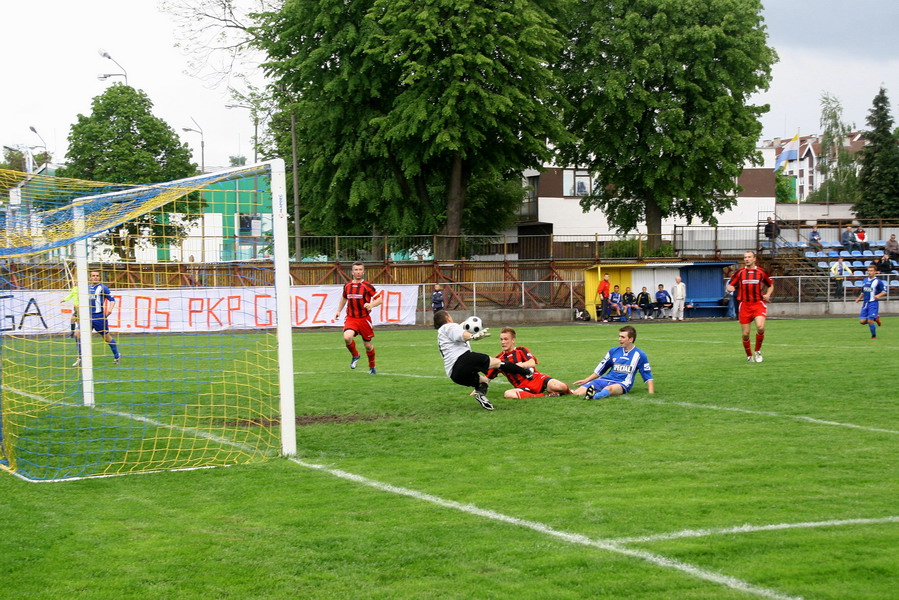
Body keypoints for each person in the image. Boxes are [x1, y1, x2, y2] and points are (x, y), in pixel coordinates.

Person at [434, 311, 534, 410]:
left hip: (455, 375)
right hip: (464, 360)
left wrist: (464, 327)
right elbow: (460, 334)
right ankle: (526, 372)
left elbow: (458, 333)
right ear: (447, 318)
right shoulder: (449, 326)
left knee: (484, 381)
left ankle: (480, 395)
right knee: (499, 363)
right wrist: (472, 336)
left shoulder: (441, 334)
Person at [571, 325, 654, 400]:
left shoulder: (640, 355)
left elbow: (647, 375)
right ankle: (560, 392)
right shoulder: (613, 351)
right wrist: (586, 380)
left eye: (622, 337)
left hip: (622, 383)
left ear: (631, 339)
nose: (619, 339)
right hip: (605, 379)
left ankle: (593, 397)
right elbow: (601, 369)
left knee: (608, 389)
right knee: (577, 393)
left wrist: (651, 393)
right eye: (619, 336)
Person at [486, 327, 571, 398]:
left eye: (506, 339)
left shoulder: (521, 350)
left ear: (513, 340)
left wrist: (519, 366)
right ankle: (545, 395)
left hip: (538, 380)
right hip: (523, 387)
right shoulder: (498, 359)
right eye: (501, 339)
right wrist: (476, 390)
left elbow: (532, 362)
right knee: (508, 394)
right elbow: (487, 379)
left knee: (561, 386)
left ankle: (572, 393)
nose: (503, 342)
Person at [334, 262, 383, 375]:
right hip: (351, 318)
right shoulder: (347, 286)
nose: (358, 271)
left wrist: (371, 305)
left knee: (368, 346)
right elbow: (344, 298)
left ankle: (372, 366)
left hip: (364, 319)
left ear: (363, 272)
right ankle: (355, 355)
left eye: (360, 269)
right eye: (356, 269)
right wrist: (338, 311)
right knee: (347, 337)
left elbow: (379, 299)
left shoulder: (367, 286)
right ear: (352, 272)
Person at [727, 250, 774, 363]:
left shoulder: (761, 272)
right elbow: (730, 285)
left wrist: (767, 294)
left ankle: (757, 351)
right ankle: (749, 356)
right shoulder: (740, 273)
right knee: (745, 334)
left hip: (758, 303)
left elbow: (771, 285)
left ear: (754, 259)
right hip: (745, 305)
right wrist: (730, 288)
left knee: (760, 327)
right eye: (745, 257)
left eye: (749, 257)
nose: (746, 259)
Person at [73, 270, 121, 366]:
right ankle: (80, 357)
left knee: (107, 338)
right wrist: (76, 313)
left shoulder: (103, 288)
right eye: (93, 275)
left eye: (97, 276)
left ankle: (117, 355)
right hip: (87, 317)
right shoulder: (85, 288)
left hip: (99, 317)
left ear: (100, 277)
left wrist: (110, 309)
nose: (95, 277)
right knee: (77, 334)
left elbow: (112, 300)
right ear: (90, 277)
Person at [855, 264, 886, 339]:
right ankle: (875, 318)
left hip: (873, 303)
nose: (869, 272)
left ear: (875, 272)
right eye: (868, 271)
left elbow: (884, 291)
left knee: (869, 321)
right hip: (865, 303)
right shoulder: (865, 280)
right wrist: (859, 298)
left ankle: (874, 336)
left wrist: (878, 296)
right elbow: (863, 291)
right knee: (862, 321)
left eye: (871, 271)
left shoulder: (878, 281)